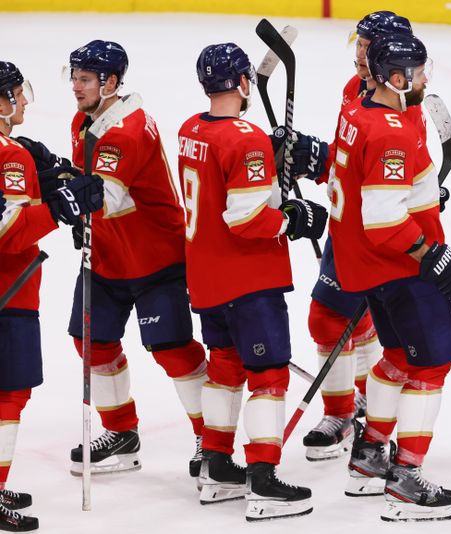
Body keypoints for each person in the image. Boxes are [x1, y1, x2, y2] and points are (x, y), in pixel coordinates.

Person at [326, 31, 451, 522]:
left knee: (395, 356)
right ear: (397, 78)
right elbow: (384, 220)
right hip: (400, 267)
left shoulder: (355, 109)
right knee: (431, 364)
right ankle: (406, 481)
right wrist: (432, 255)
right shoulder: (391, 129)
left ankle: (370, 458)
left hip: (371, 269)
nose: (426, 77)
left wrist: (425, 193)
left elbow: (373, 189)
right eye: (418, 70)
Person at [282, 10, 447, 463]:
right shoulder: (354, 91)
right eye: (358, 42)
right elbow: (353, 158)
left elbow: (393, 164)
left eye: (367, 44)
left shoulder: (407, 104)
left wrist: (423, 194)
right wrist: (317, 159)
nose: (358, 53)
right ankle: (341, 412)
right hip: (351, 229)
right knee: (329, 319)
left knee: (381, 326)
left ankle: (370, 414)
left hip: (384, 232)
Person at [177, 43, 327, 521]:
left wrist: (269, 157)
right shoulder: (246, 140)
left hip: (205, 278)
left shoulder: (191, 128)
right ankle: (263, 478)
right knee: (267, 375)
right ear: (243, 83)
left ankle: (217, 465)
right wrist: (292, 217)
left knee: (224, 366)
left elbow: (229, 180)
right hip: (247, 281)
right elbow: (244, 218)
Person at [65, 41, 208, 483]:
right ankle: (121, 432)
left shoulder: (126, 131)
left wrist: (49, 193)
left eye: (84, 79)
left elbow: (101, 197)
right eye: (73, 77)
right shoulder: (85, 120)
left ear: (110, 83)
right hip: (106, 253)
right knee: (91, 342)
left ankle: (213, 437)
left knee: (171, 349)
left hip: (153, 257)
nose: (75, 86)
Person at [0, 60, 103, 532]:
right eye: (17, 93)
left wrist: (46, 181)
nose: (23, 101)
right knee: (9, 392)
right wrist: (61, 208)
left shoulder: (15, 151)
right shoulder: (9, 154)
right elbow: (8, 231)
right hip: (8, 290)